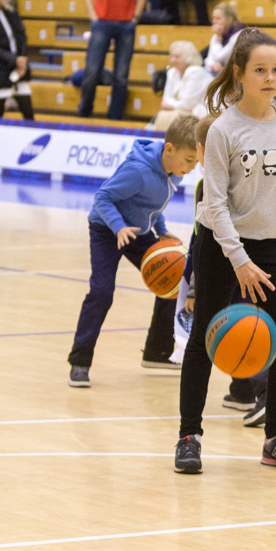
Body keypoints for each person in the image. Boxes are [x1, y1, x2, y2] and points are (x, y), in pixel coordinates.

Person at [175, 29, 276, 475]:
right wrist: (240, 260)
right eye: (260, 70)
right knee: (203, 341)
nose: (271, 78)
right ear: (239, 74)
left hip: (270, 244)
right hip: (220, 243)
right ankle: (189, 437)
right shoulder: (223, 130)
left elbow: (275, 193)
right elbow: (214, 204)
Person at [68, 116, 201, 386]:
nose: (191, 167)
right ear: (169, 149)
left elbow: (152, 205)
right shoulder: (138, 170)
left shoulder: (172, 169)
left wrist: (161, 229)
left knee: (174, 279)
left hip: (138, 232)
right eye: (188, 160)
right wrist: (118, 227)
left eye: (195, 161)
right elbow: (103, 197)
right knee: (102, 292)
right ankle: (79, 361)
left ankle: (157, 351)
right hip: (107, 229)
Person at [78, 0, 148, 120]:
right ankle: (84, 112)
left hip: (127, 24)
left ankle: (115, 118)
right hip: (101, 22)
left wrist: (136, 16)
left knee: (121, 75)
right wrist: (93, 15)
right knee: (92, 71)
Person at [154, 40, 209, 129]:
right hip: (184, 112)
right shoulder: (172, 72)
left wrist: (170, 106)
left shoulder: (196, 72)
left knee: (169, 117)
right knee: (162, 115)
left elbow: (187, 104)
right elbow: (165, 99)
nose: (172, 60)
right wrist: (174, 104)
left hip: (202, 113)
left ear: (189, 57)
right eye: (171, 56)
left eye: (177, 57)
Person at [202, 2, 245, 75]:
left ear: (229, 20)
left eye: (218, 18)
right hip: (219, 71)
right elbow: (208, 59)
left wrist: (218, 38)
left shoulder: (239, 35)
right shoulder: (218, 34)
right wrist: (212, 65)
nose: (214, 21)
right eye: (213, 18)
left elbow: (219, 57)